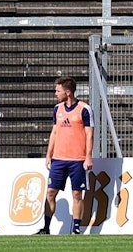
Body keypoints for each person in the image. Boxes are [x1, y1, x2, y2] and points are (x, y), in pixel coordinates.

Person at [39, 77, 94, 235]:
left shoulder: (84, 109)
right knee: (50, 192)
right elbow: (55, 132)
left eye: (58, 91)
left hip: (77, 159)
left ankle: (76, 228)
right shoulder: (57, 109)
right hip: (58, 159)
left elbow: (89, 134)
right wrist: (49, 154)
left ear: (67, 92)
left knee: (77, 193)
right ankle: (46, 227)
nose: (56, 93)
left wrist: (88, 156)